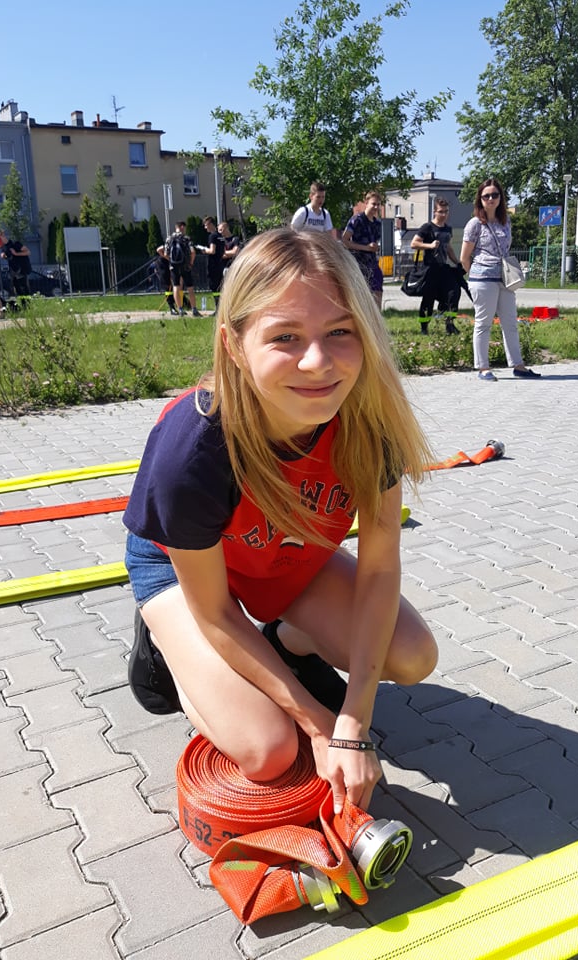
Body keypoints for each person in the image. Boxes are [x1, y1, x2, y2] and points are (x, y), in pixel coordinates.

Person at [122, 228, 438, 815]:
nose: (318, 362)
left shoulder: (371, 423)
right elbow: (216, 613)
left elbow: (378, 573)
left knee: (413, 655)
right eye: (285, 337)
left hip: (284, 555)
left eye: (340, 331)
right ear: (234, 344)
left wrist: (354, 722)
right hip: (186, 574)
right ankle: (165, 643)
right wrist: (316, 721)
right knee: (268, 748)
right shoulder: (194, 446)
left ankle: (286, 642)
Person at [460, 178, 540, 381]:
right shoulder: (475, 224)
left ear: (501, 198)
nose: (490, 199)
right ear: (480, 199)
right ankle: (483, 368)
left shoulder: (505, 221)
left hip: (505, 279)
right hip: (483, 279)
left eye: (495, 195)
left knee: (510, 322)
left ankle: (518, 366)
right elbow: (464, 257)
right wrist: (475, 276)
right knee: (483, 323)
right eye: (486, 195)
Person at [411, 198, 462, 335]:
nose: (444, 214)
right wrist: (430, 245)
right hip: (429, 268)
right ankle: (424, 327)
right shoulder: (427, 227)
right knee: (428, 299)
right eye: (441, 212)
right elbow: (414, 243)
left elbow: (448, 247)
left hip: (443, 268)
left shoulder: (448, 229)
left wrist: (457, 262)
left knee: (453, 293)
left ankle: (449, 324)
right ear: (434, 211)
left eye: (446, 212)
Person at [342, 191, 383, 308]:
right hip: (358, 263)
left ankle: (377, 316)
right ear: (366, 203)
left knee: (378, 289)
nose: (376, 207)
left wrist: (375, 247)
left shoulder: (377, 223)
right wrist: (365, 248)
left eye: (378, 204)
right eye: (373, 204)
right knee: (360, 295)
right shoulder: (357, 220)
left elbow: (374, 243)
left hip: (372, 262)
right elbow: (344, 241)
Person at [168, 222, 200, 317]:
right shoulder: (186, 238)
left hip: (173, 266)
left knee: (176, 286)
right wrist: (190, 263)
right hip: (185, 266)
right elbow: (193, 252)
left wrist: (171, 261)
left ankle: (180, 309)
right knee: (190, 287)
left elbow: (165, 253)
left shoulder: (169, 238)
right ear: (182, 227)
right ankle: (194, 309)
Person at [195, 216, 225, 311]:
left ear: (211, 224)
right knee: (220, 286)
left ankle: (218, 308)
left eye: (206, 225)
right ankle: (221, 307)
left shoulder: (212, 236)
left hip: (213, 265)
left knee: (214, 286)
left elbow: (212, 251)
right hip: (220, 264)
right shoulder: (221, 236)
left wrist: (204, 250)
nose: (205, 227)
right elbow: (223, 251)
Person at [0, 230, 32, 302]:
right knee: (17, 288)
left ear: (3, 236)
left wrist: (16, 253)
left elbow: (28, 252)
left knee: (24, 288)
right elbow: (8, 257)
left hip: (21, 269)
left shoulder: (15, 244)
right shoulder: (3, 247)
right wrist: (4, 256)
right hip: (13, 271)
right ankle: (22, 304)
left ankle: (28, 304)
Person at [154, 241, 178, 314]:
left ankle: (179, 305)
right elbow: (158, 250)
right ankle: (171, 307)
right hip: (163, 265)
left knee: (176, 285)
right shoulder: (169, 245)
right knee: (167, 286)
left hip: (171, 264)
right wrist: (168, 258)